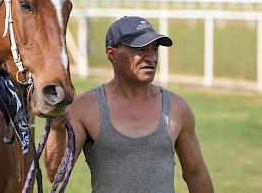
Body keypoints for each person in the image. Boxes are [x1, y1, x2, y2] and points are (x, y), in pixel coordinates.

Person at [43, 16, 214, 193]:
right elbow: (55, 174)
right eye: (140, 49)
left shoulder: (177, 109)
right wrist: (57, 129)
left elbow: (196, 174)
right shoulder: (84, 108)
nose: (151, 58)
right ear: (112, 54)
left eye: (154, 49)